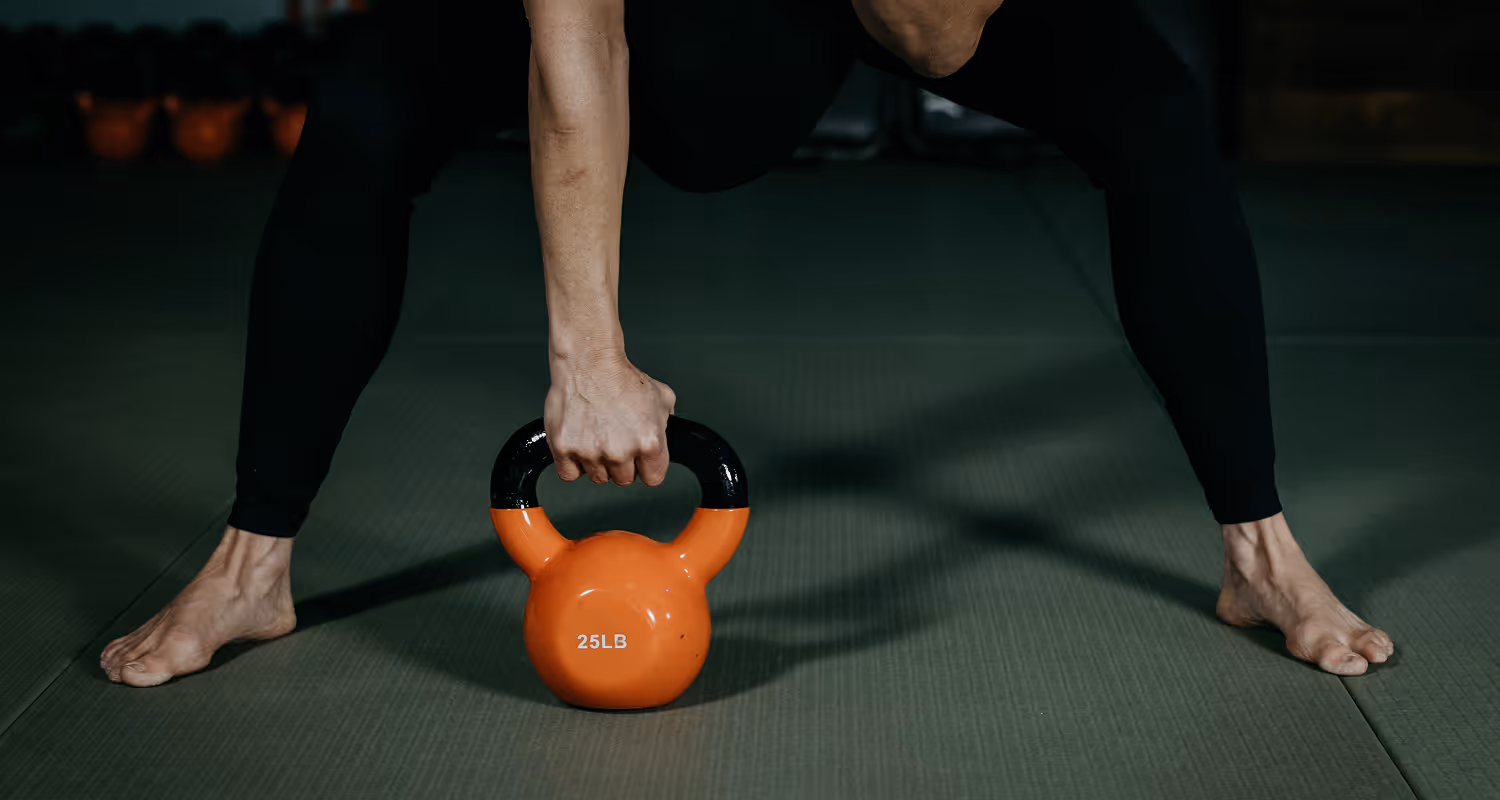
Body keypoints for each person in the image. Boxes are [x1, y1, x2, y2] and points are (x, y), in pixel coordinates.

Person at [100, 0, 1393, 687]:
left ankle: (1260, 558)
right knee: (364, 113)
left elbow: (936, 37)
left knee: (1152, 107)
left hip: (833, 11)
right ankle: (250, 566)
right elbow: (577, 47)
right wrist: (587, 356)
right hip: (590, 22)